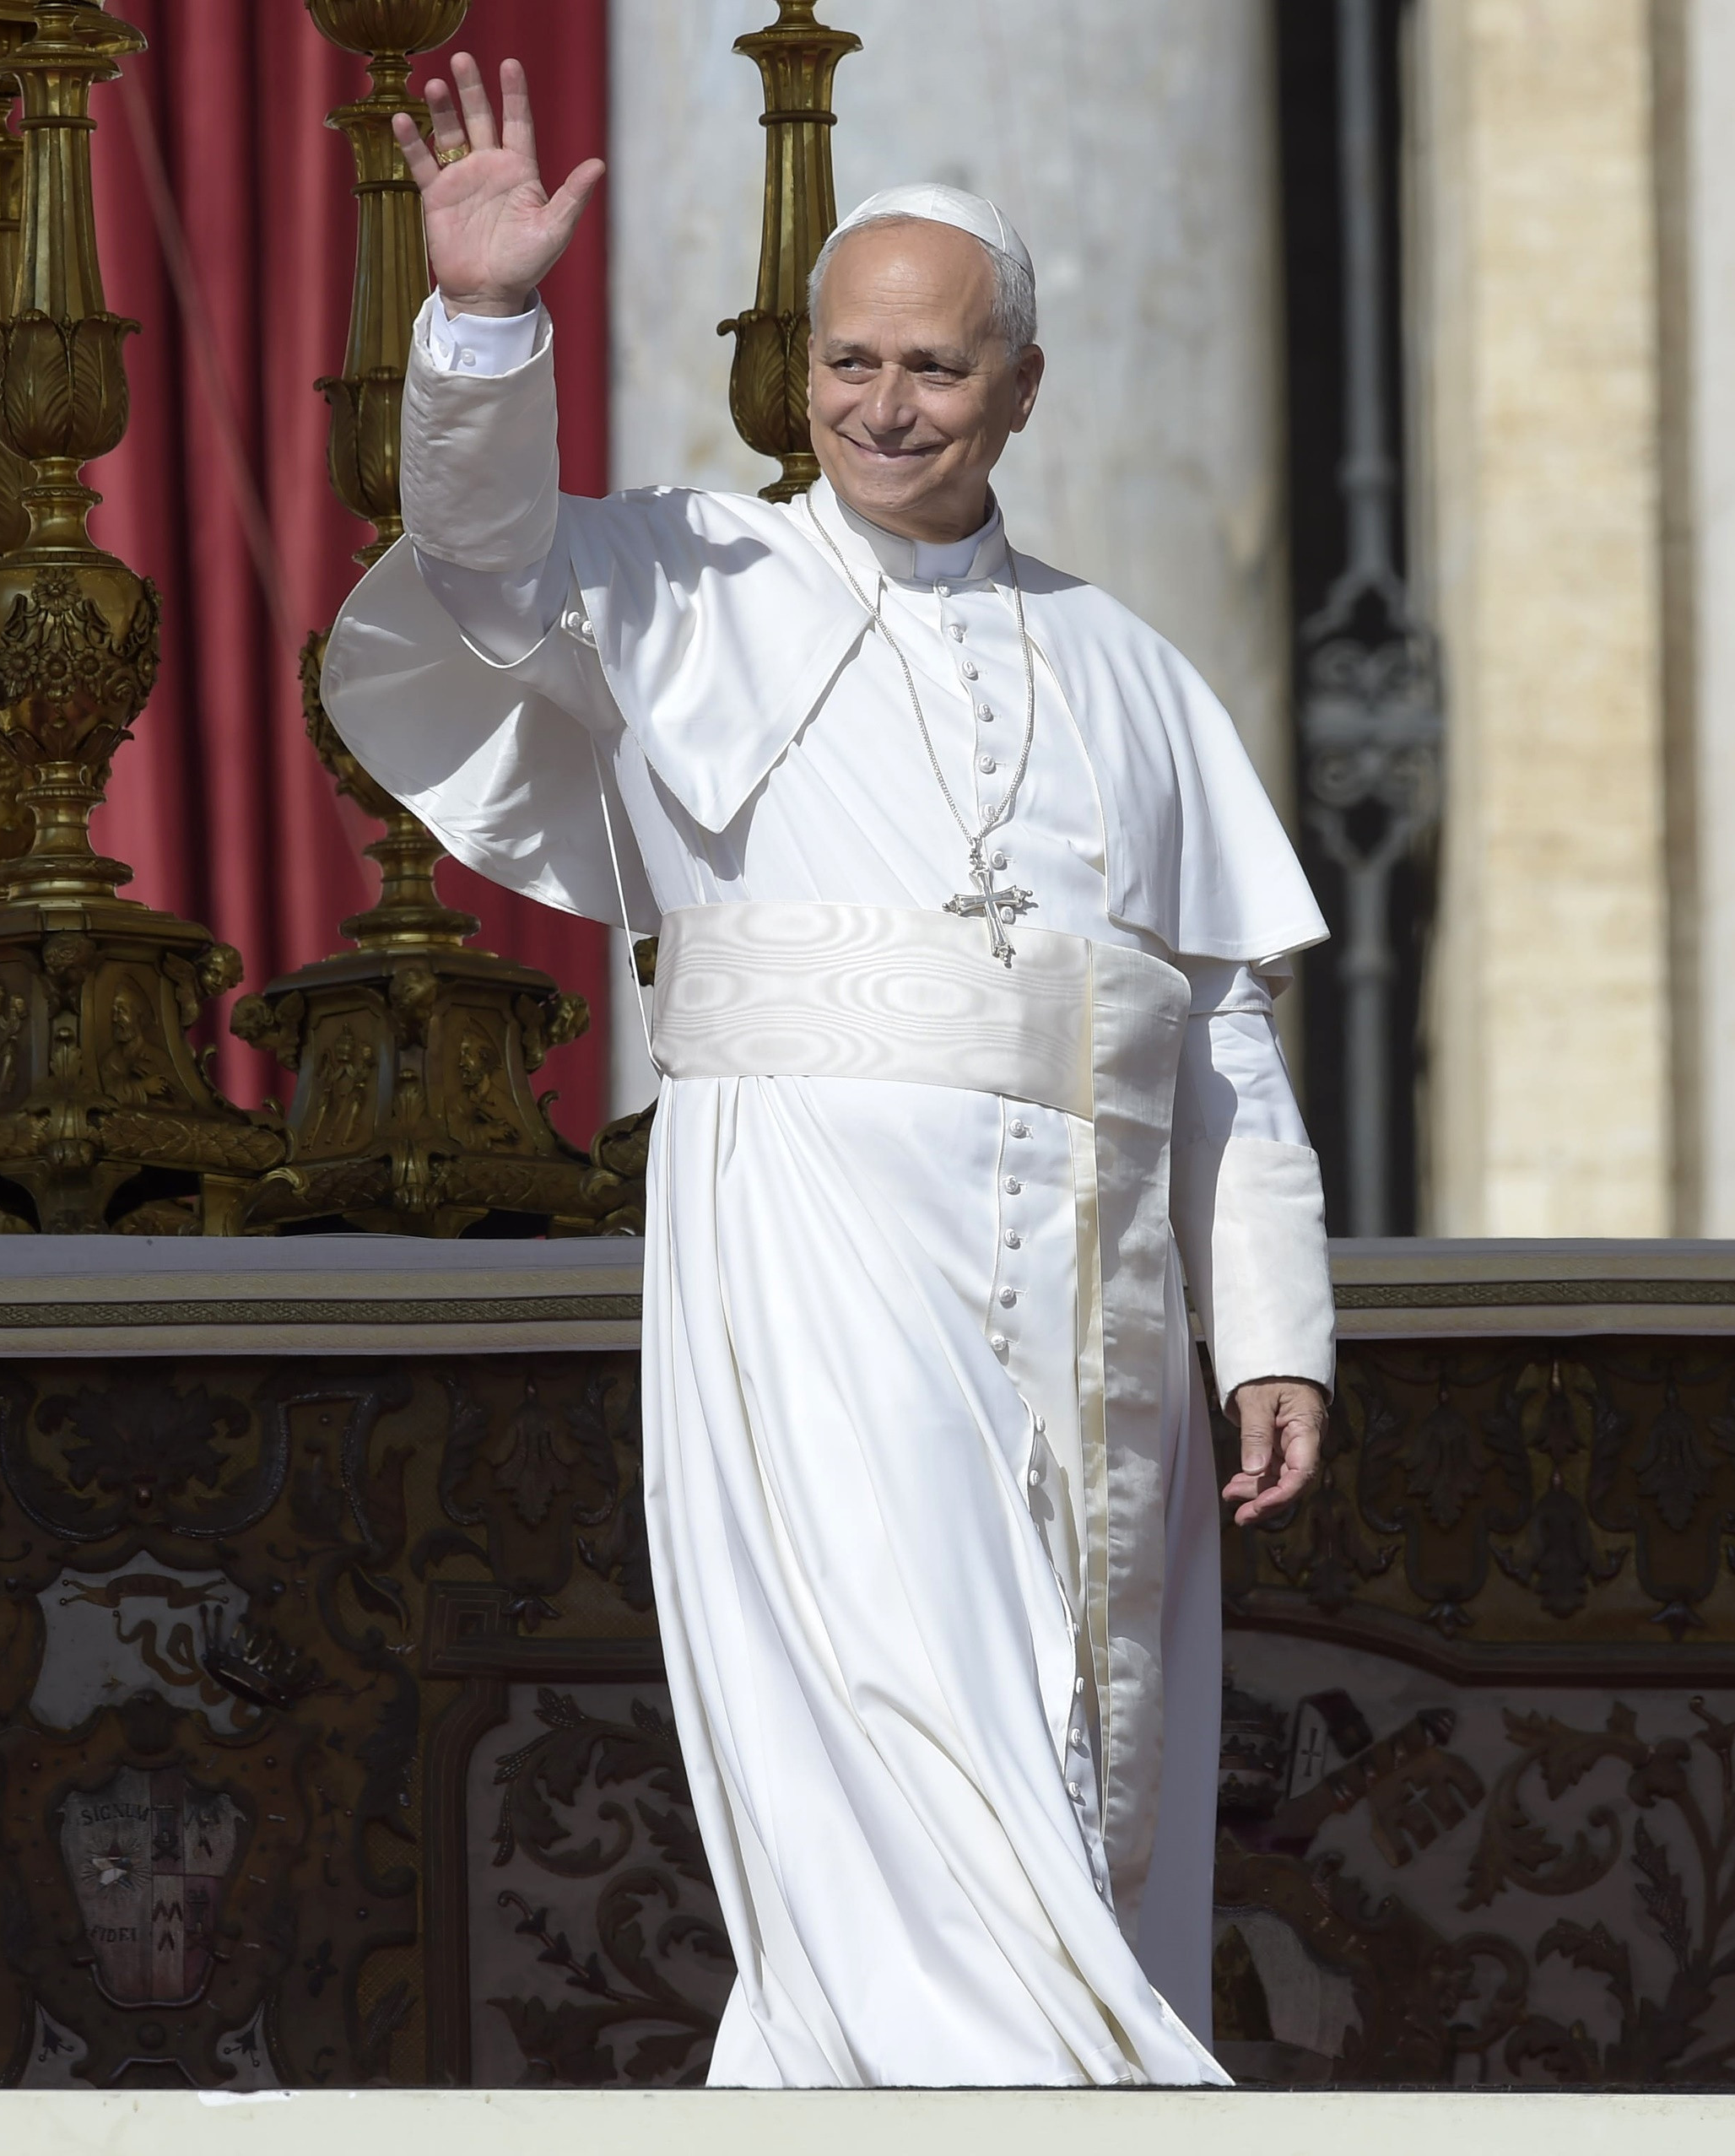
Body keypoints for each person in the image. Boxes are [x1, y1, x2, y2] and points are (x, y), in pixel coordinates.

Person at [324, 53, 1335, 2088]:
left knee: (1067, 1699)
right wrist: (486, 322)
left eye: (936, 370)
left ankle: (929, 2083)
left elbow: (1214, 1010)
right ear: (804, 374)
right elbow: (482, 558)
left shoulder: (1131, 665)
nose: (883, 405)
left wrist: (1277, 1327)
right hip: (814, 1221)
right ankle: (1055, 2089)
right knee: (888, 1664)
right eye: (851, 362)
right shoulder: (691, 574)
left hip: (1091, 1271)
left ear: (1021, 390)